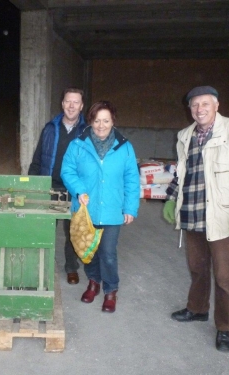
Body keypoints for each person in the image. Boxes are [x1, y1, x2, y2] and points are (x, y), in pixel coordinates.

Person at [163, 86, 229, 352]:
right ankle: (197, 309)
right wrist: (172, 198)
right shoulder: (185, 135)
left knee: (223, 276)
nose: (199, 109)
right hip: (192, 212)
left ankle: (225, 327)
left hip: (222, 215)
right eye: (194, 105)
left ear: (216, 105)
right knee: (197, 267)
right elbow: (180, 173)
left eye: (205, 104)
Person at [61, 100, 140, 313]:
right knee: (89, 249)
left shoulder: (125, 147)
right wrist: (78, 190)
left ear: (113, 121)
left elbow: (132, 178)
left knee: (107, 252)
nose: (101, 125)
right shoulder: (78, 144)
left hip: (113, 210)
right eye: (97, 121)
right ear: (91, 121)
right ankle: (94, 282)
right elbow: (67, 171)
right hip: (86, 208)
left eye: (106, 120)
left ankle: (111, 289)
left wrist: (130, 208)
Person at [28, 88, 88, 285]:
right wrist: (32, 183)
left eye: (76, 102)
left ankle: (71, 267)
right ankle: (41, 265)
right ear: (62, 104)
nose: (71, 106)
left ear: (81, 106)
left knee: (73, 230)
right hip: (50, 186)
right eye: (68, 101)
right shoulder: (50, 128)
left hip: (74, 190)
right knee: (45, 228)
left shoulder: (87, 132)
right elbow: (38, 157)